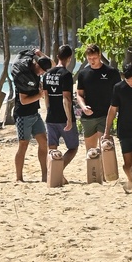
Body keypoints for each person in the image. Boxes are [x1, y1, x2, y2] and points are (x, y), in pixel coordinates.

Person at [43, 45, 79, 179]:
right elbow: (66, 98)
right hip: (63, 117)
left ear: (57, 57)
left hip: (51, 116)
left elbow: (46, 97)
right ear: (69, 58)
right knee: (73, 147)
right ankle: (56, 171)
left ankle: (54, 171)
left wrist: (48, 110)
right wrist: (69, 119)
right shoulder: (66, 75)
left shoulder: (47, 74)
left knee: (52, 149)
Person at [76, 45, 121, 151]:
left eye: (94, 58)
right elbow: (79, 94)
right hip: (88, 116)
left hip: (106, 115)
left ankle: (105, 168)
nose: (92, 61)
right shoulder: (83, 73)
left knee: (104, 148)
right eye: (89, 58)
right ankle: (94, 168)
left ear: (99, 55)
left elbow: (119, 93)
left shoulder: (112, 72)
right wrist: (83, 107)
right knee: (91, 151)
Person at [14, 55, 49, 183]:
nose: (41, 73)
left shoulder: (35, 75)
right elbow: (23, 100)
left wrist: (39, 52)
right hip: (23, 115)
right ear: (36, 65)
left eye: (43, 72)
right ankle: (19, 177)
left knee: (44, 142)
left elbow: (53, 63)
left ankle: (45, 175)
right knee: (23, 145)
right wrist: (40, 95)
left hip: (35, 114)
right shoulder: (24, 76)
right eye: (41, 70)